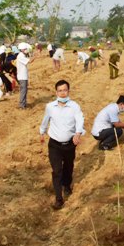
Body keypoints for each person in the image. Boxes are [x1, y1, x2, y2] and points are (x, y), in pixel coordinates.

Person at [39, 80, 85, 210]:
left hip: (70, 144)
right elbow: (45, 120)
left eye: (65, 90)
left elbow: (80, 119)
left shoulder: (74, 106)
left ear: (68, 91)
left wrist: (77, 133)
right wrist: (42, 133)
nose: (62, 93)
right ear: (56, 92)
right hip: (54, 144)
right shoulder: (50, 107)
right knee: (57, 170)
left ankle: (67, 185)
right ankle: (59, 198)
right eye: (60, 91)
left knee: (69, 166)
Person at [17, 43, 35, 109]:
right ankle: (22, 105)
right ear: (22, 49)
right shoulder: (21, 56)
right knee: (23, 91)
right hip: (22, 76)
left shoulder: (22, 55)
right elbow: (29, 61)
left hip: (23, 76)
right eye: (25, 49)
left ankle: (23, 103)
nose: (26, 50)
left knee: (24, 90)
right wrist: (35, 56)